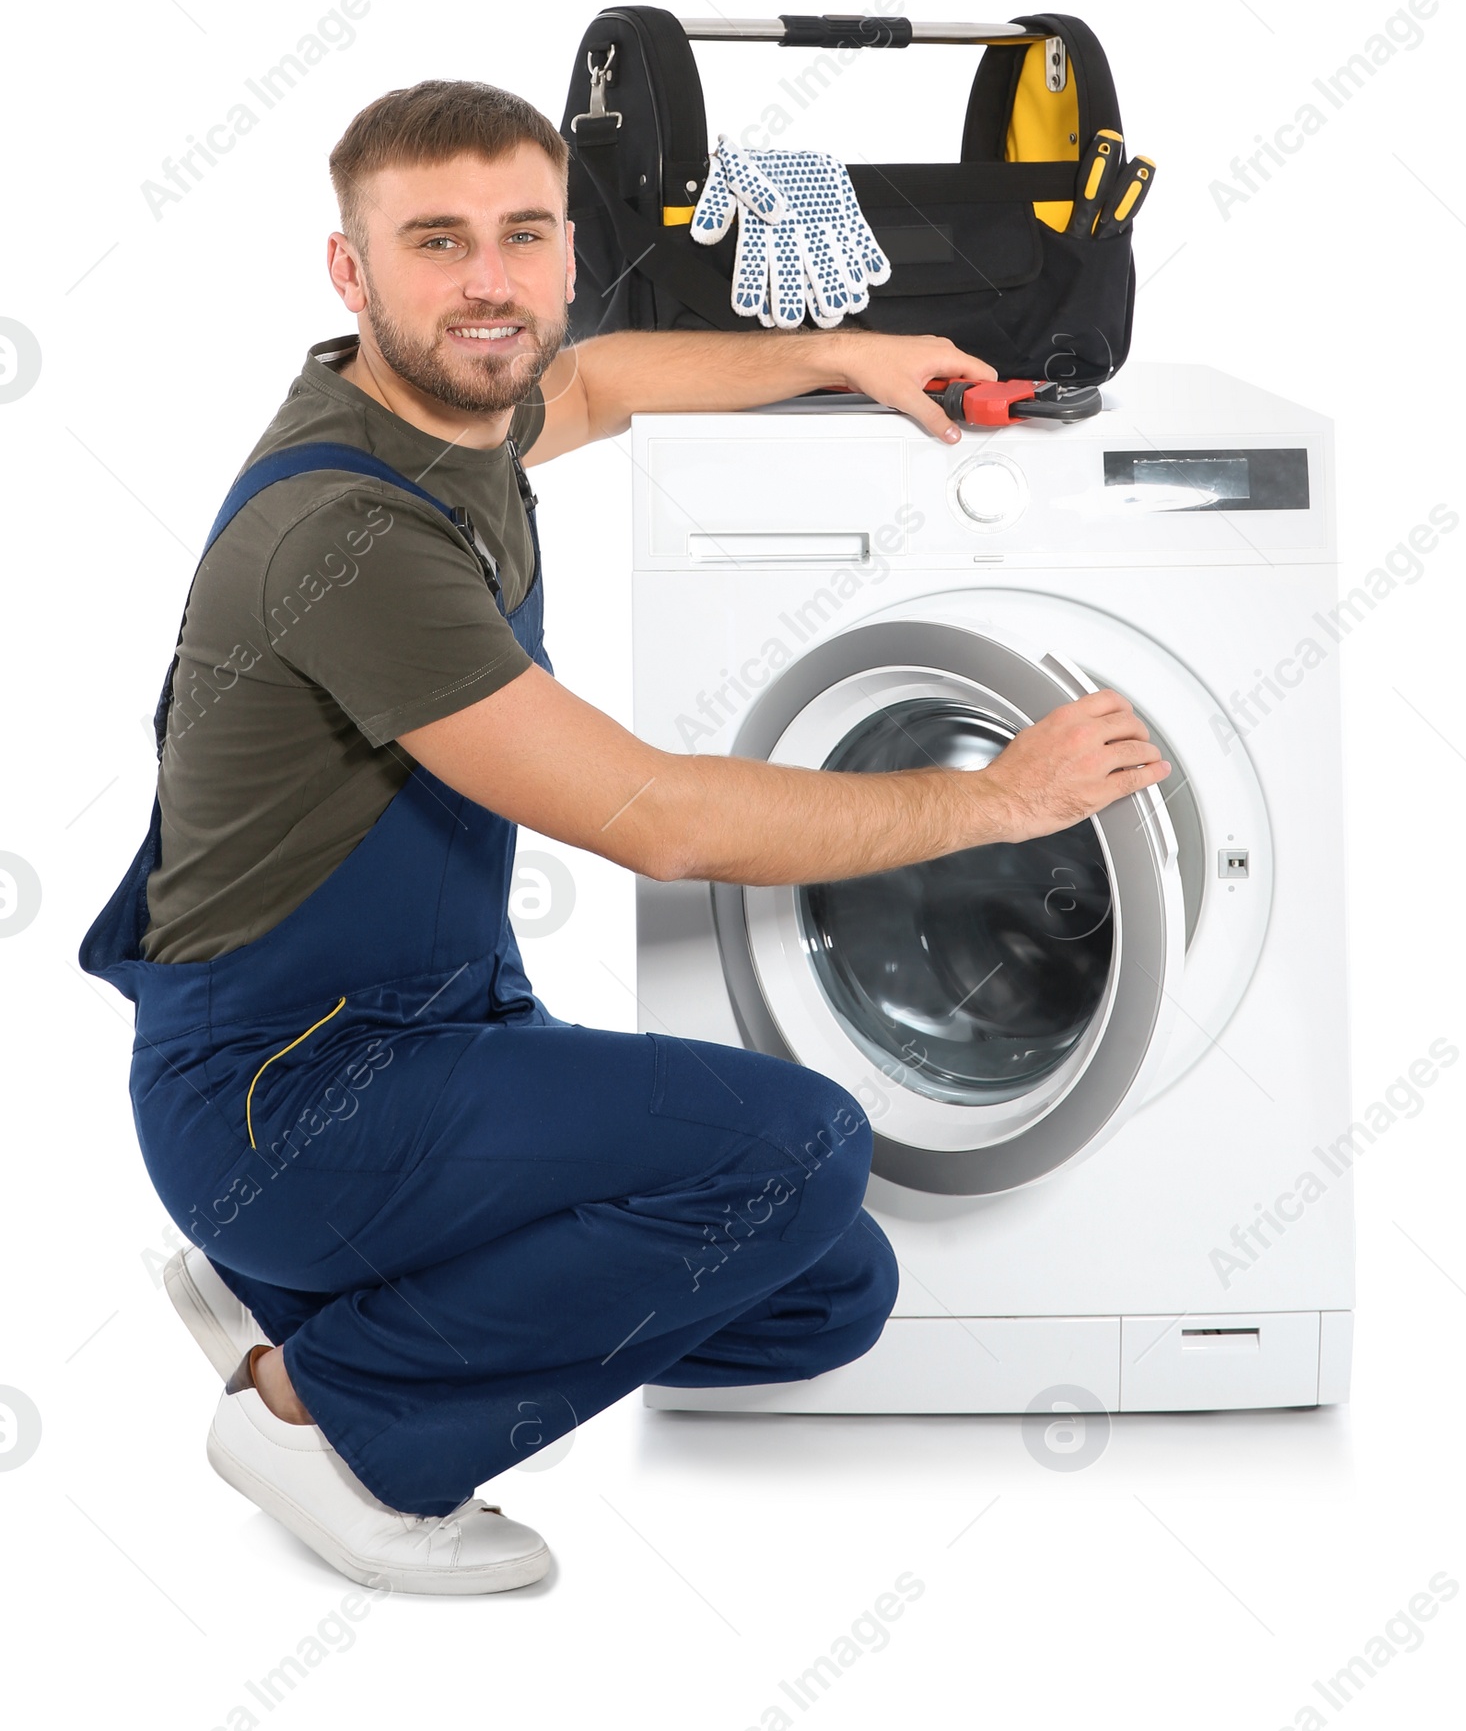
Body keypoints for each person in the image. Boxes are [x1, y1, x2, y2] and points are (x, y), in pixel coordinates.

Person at [80, 79, 1171, 1595]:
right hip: (288, 1092)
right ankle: (323, 1414)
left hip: (415, 1036)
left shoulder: (446, 411)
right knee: (803, 1152)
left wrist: (839, 354)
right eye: (438, 241)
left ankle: (320, 1302)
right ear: (352, 271)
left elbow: (590, 391)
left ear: (569, 255)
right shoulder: (347, 535)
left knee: (829, 1289)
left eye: (524, 235)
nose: (489, 282)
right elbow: (658, 820)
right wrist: (1001, 798)